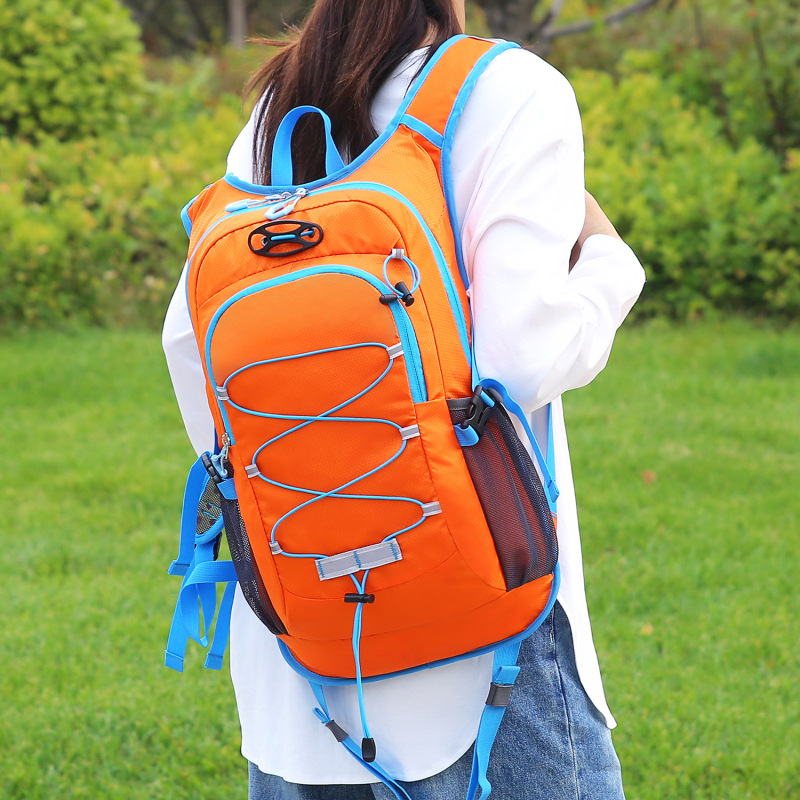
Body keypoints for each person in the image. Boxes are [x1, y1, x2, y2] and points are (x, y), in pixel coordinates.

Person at [162, 1, 646, 798]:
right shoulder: (505, 87)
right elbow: (521, 363)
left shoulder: (274, 109)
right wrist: (611, 264)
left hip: (301, 657)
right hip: (483, 643)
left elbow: (192, 348)